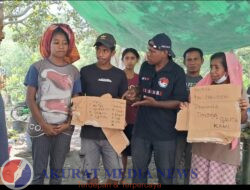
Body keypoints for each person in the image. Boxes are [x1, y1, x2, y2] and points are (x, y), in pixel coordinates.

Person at [126, 33, 188, 184]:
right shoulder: (146, 66)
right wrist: (135, 93)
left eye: (152, 52)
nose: (148, 54)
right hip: (141, 131)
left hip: (165, 134)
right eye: (148, 50)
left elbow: (180, 101)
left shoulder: (177, 71)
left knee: (165, 177)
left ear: (165, 53)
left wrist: (156, 104)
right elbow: (142, 90)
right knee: (138, 174)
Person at [24, 23, 81, 184]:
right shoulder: (37, 67)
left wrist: (68, 124)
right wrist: (43, 124)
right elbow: (30, 98)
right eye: (56, 42)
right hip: (40, 127)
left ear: (69, 45)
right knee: (39, 172)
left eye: (64, 42)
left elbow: (76, 102)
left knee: (57, 171)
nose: (61, 46)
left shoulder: (74, 71)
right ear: (48, 44)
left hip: (64, 129)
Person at [181, 52, 248, 184]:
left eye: (217, 67)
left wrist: (243, 109)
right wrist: (187, 109)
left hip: (224, 151)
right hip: (202, 149)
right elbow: (194, 115)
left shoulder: (237, 90)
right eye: (211, 67)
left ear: (227, 69)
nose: (212, 71)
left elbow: (243, 120)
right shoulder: (202, 88)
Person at [79, 33, 128, 184]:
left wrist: (122, 119)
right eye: (98, 50)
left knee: (114, 176)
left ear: (113, 53)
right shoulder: (85, 71)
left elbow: (122, 102)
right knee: (89, 175)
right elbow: (79, 98)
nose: (101, 54)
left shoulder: (120, 75)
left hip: (112, 134)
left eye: (105, 51)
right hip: (89, 133)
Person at [174, 47, 204, 184]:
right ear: (184, 62)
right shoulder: (178, 79)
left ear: (202, 61)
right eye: (189, 60)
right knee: (173, 163)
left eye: (195, 59)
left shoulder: (207, 83)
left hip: (196, 131)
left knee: (191, 166)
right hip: (177, 129)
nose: (192, 62)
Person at [120, 48, 140, 184]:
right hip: (120, 120)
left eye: (132, 58)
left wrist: (135, 99)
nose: (129, 61)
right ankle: (120, 179)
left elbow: (143, 97)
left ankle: (136, 179)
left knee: (137, 152)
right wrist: (124, 98)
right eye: (127, 58)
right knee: (122, 152)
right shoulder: (117, 76)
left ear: (137, 60)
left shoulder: (140, 78)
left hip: (136, 120)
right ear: (123, 60)